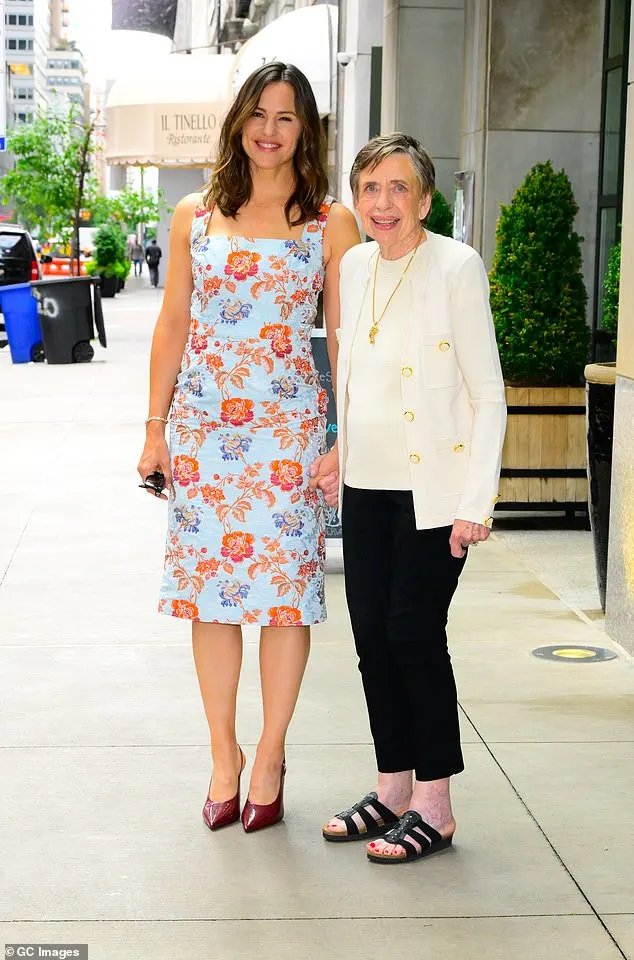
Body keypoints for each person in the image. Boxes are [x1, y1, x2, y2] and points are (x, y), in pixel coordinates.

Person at [137, 62, 359, 835]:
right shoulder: (195, 214)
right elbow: (173, 324)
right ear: (239, 120)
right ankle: (223, 755)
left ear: (307, 131)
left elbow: (348, 340)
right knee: (213, 597)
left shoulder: (332, 222)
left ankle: (270, 754)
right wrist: (156, 428)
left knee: (285, 599)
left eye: (287, 117)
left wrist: (343, 437)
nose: (269, 129)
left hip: (289, 434)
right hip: (206, 433)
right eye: (259, 114)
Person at [311, 133, 506, 864]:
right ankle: (393, 787)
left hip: (435, 493)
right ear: (356, 199)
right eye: (370, 188)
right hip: (365, 485)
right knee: (371, 642)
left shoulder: (456, 266)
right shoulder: (355, 265)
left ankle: (436, 803)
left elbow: (488, 394)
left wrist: (475, 502)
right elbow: (354, 374)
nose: (382, 203)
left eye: (399, 189)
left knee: (412, 634)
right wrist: (340, 449)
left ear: (425, 199)